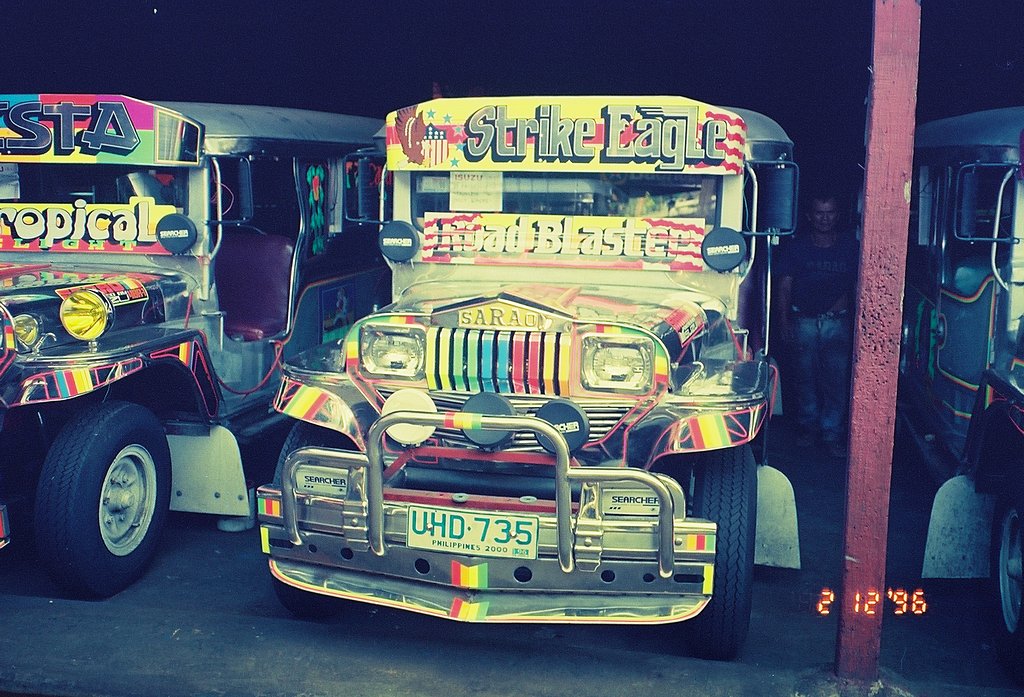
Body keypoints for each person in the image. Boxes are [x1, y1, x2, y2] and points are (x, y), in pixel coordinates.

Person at [776, 192, 859, 458]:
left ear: (838, 215)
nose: (825, 218)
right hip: (804, 322)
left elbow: (860, 286)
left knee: (837, 382)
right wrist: (783, 321)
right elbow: (784, 286)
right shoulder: (797, 247)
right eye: (819, 213)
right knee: (804, 379)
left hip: (838, 323)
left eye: (830, 212)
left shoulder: (850, 247)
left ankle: (831, 434)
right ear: (810, 216)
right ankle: (808, 430)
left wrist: (860, 324)